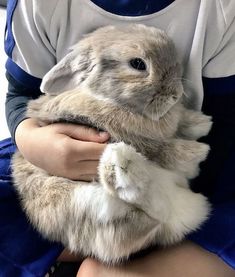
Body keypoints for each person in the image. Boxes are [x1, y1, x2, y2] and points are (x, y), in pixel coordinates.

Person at [1, 0, 234, 276]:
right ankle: (93, 242)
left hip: (187, 178)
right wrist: (32, 140)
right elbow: (22, 94)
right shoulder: (41, 5)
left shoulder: (220, 9)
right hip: (70, 170)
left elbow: (222, 137)